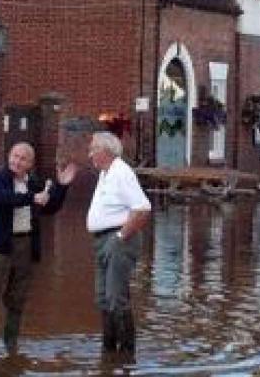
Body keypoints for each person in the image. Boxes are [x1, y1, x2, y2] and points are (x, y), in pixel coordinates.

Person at [0, 141, 77, 356]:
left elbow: (49, 207)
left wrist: (62, 186)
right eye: (14, 156)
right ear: (8, 156)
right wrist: (31, 198)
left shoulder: (33, 183)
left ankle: (11, 346)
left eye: (23, 159)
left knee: (17, 298)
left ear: (31, 163)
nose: (17, 161)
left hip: (25, 245)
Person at [86, 131, 151, 356]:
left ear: (105, 151)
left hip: (118, 239)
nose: (90, 154)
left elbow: (142, 208)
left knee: (116, 297)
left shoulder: (122, 173)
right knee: (103, 297)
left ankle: (126, 354)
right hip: (103, 239)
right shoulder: (106, 173)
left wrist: (120, 238)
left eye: (93, 149)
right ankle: (109, 350)